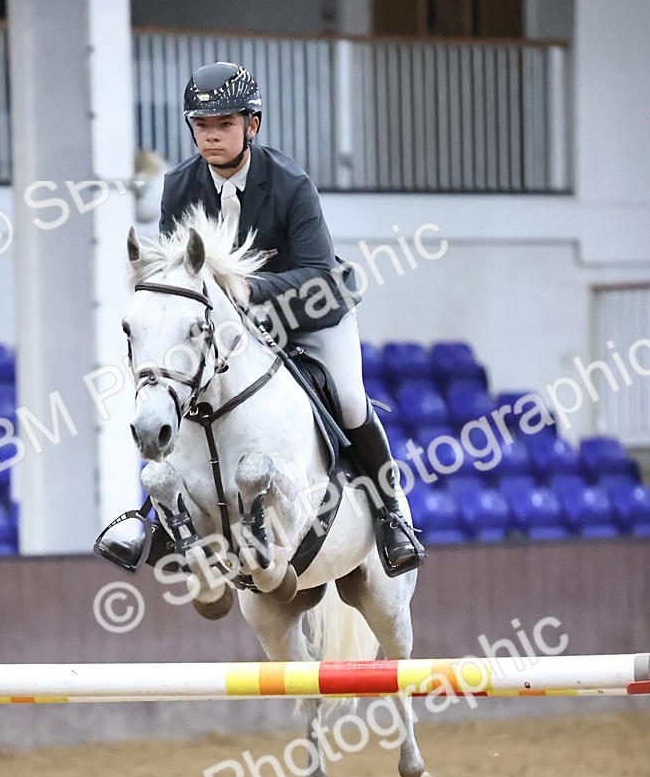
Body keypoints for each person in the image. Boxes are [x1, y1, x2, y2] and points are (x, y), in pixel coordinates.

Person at [100, 61, 425, 579]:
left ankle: (391, 518)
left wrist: (249, 288)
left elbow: (318, 273)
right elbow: (173, 269)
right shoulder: (179, 186)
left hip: (310, 312)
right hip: (228, 324)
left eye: (224, 124)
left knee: (348, 398)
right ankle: (158, 520)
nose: (211, 136)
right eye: (202, 126)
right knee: (180, 385)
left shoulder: (291, 184)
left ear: (251, 125)